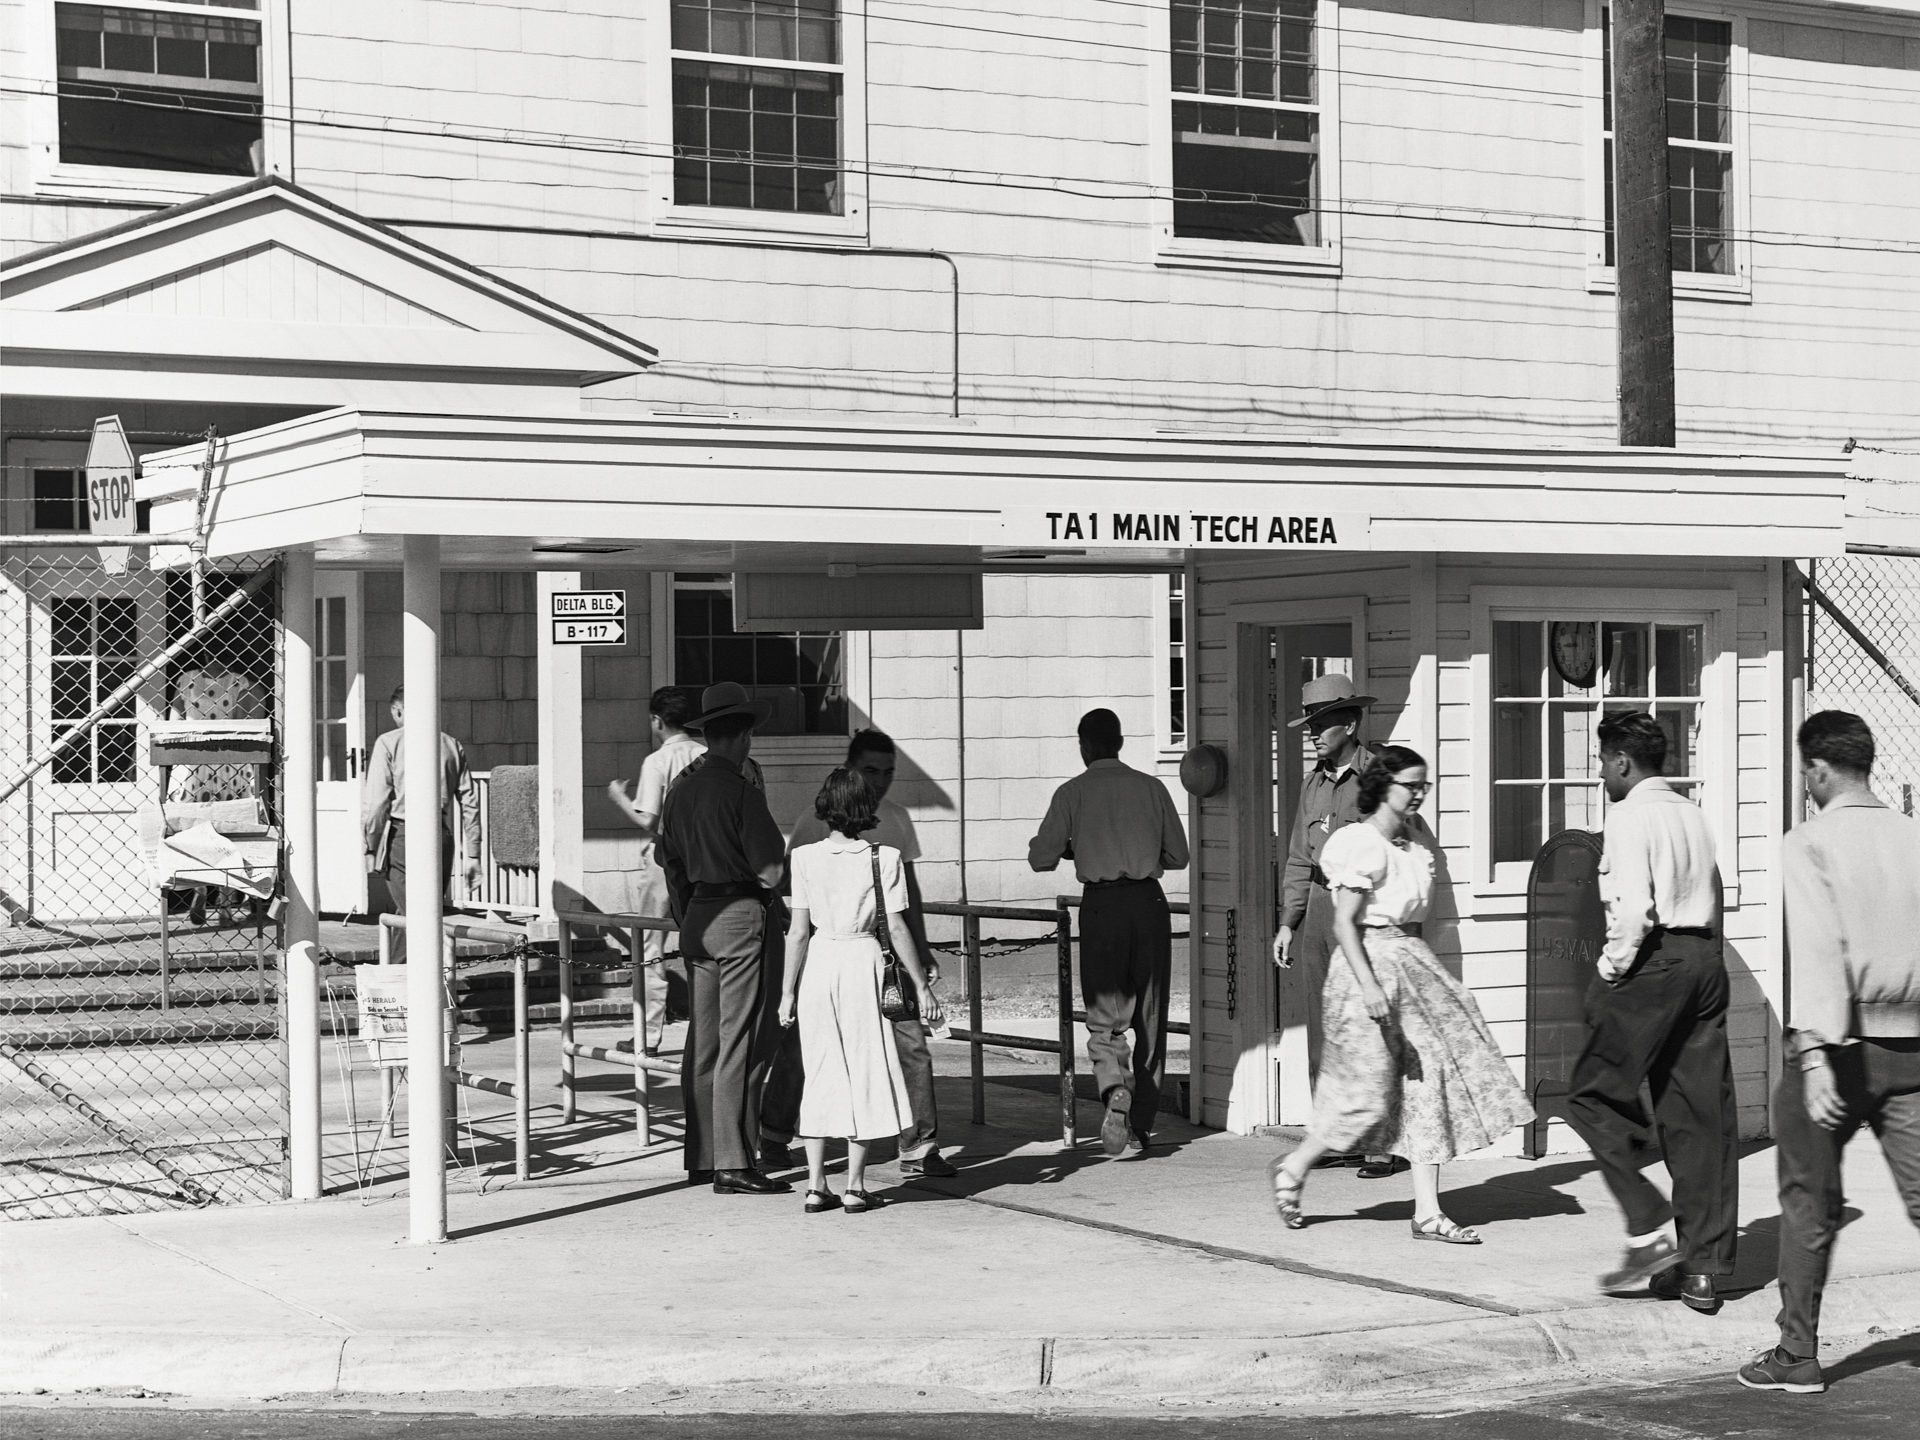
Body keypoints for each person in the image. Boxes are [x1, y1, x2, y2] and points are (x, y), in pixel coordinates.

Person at [1267, 747, 1532, 1241]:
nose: (1418, 795)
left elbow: (1411, 919)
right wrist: (1369, 987)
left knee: (1426, 1086)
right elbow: (1345, 923)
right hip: (1364, 970)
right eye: (1410, 785)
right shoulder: (1359, 843)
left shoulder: (1413, 847)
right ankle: (1294, 1168)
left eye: (1423, 786)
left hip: (1408, 965)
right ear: (1384, 786)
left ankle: (1428, 1212)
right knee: (1364, 1094)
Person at [1738, 712, 1920, 1396]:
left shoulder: (1808, 842)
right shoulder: (1914, 836)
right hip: (1913, 1048)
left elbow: (1817, 945)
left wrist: (1813, 1051)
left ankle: (1796, 1356)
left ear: (1815, 769)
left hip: (1838, 1050)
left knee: (1808, 1203)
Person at [1565, 710, 1734, 1311]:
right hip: (1704, 961)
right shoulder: (1693, 814)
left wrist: (1608, 974)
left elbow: (1634, 911)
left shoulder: (1629, 815)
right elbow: (1713, 893)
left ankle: (1646, 1224)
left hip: (1653, 963)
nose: (1600, 773)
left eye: (1602, 762)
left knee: (1589, 1095)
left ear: (1621, 761)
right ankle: (1702, 1268)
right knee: (1698, 1114)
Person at [776, 729, 956, 1178]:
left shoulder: (896, 821)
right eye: (870, 770)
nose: (880, 781)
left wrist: (923, 949)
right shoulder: (812, 824)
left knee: (910, 1044)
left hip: (885, 954)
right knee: (812, 1048)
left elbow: (905, 899)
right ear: (851, 769)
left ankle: (919, 1144)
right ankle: (774, 1130)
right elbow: (790, 895)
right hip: (834, 950)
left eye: (888, 772)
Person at [1029, 707, 1190, 1157]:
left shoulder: (1072, 792)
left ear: (1084, 745)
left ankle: (1115, 1086)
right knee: (1151, 1019)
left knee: (1106, 1015)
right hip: (1150, 904)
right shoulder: (1151, 787)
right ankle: (1139, 1127)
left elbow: (1040, 858)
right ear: (1120, 743)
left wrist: (1071, 846)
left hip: (1102, 908)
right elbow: (1178, 856)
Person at [656, 681, 791, 1195]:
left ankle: (704, 1155)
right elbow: (773, 869)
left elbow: (669, 866)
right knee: (741, 1040)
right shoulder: (739, 791)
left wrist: (691, 913)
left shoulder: (681, 791)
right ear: (743, 737)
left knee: (703, 1043)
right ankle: (735, 1159)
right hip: (738, 914)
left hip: (697, 919)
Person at [1269, 675, 1399, 1179]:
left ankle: (1383, 1142)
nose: (1313, 733)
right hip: (1322, 908)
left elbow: (1401, 845)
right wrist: (1288, 922)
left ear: (1348, 724)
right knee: (1324, 1024)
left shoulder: (1377, 777)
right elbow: (1300, 858)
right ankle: (1334, 1136)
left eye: (1321, 723)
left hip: (1363, 912)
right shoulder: (1313, 783)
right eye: (1310, 724)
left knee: (1371, 1023)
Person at [607, 686, 706, 1054]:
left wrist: (620, 798)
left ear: (656, 720)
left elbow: (649, 818)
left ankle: (647, 1036)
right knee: (703, 945)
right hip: (707, 858)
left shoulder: (657, 761)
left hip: (666, 858)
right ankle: (707, 1030)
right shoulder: (707, 754)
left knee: (650, 946)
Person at [362, 684, 481, 963]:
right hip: (441, 834)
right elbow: (470, 800)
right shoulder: (451, 744)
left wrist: (370, 845)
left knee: (412, 914)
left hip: (403, 834)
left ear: (398, 710)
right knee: (426, 912)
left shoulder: (389, 742)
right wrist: (473, 853)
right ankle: (418, 981)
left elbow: (377, 802)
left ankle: (400, 981)